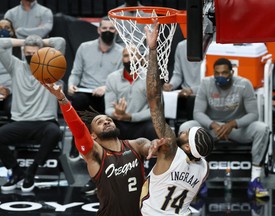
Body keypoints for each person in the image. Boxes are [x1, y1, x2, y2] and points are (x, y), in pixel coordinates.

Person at [41, 82, 167, 216]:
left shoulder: (136, 144)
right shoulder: (95, 154)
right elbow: (78, 129)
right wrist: (62, 99)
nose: (106, 121)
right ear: (93, 135)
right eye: (99, 122)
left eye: (109, 120)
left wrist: (155, 144)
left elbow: (150, 147)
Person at [140, 22, 214, 215]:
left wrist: (152, 49)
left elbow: (154, 99)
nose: (182, 131)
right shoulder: (204, 169)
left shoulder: (172, 151)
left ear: (188, 147)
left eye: (186, 133)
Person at [179, 57, 270, 199]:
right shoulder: (206, 84)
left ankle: (255, 180)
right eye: (217, 73)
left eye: (224, 73)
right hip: (211, 129)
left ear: (231, 72)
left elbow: (254, 114)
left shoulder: (244, 84)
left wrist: (233, 124)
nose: (220, 76)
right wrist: (213, 124)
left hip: (236, 129)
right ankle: (196, 180)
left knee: (262, 128)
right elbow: (197, 113)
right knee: (186, 127)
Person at [0, 34, 65, 192]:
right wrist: (26, 41)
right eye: (27, 53)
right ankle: (17, 172)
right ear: (22, 52)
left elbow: (60, 42)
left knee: (55, 132)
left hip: (45, 122)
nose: (30, 56)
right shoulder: (15, 66)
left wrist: (37, 41)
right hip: (19, 122)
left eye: (34, 53)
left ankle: (31, 172)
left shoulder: (51, 66)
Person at [67, 16, 123, 164]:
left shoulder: (122, 51)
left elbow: (121, 77)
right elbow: (76, 73)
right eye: (104, 28)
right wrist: (71, 84)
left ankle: (106, 147)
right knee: (78, 101)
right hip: (85, 91)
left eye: (111, 28)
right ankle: (77, 141)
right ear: (98, 30)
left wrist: (106, 87)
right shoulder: (84, 47)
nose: (108, 31)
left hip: (108, 93)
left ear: (116, 31)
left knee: (112, 107)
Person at [0, 18, 20, 119]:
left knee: (13, 107)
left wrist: (8, 90)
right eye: (0, 28)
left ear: (13, 31)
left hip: (13, 90)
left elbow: (22, 76)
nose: (3, 30)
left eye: (7, 28)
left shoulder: (20, 51)